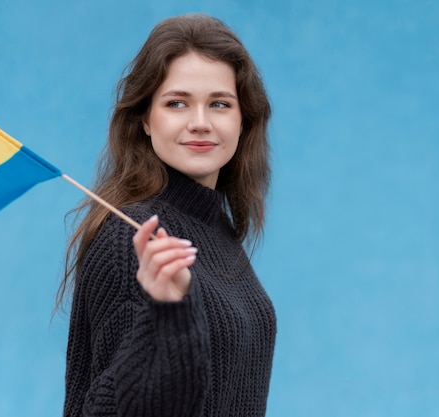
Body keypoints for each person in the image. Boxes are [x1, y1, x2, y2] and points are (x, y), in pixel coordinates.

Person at [59, 13, 276, 417]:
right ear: (144, 118)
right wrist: (169, 316)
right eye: (176, 103)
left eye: (219, 104)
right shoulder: (133, 239)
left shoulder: (217, 231)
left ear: (243, 119)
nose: (199, 123)